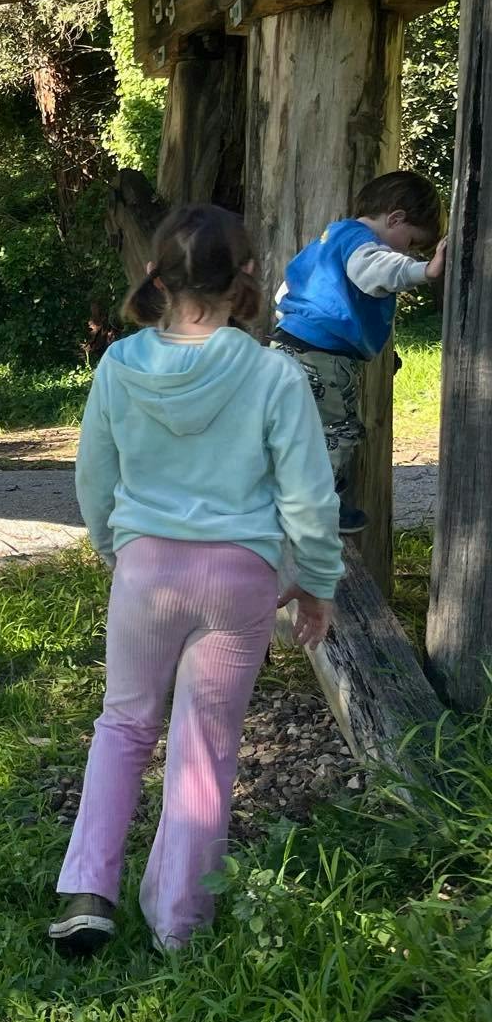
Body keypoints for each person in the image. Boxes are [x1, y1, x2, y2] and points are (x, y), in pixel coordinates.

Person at [50, 204, 341, 957]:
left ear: (160, 277)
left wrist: (113, 545)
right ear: (247, 277)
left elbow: (95, 474)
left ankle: (87, 890)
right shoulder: (275, 372)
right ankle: (179, 921)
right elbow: (309, 497)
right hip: (239, 576)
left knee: (123, 724)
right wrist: (316, 581)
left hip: (147, 568)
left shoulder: (119, 365)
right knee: (205, 740)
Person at [270, 169, 446, 533]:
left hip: (287, 344)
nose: (406, 251)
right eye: (411, 242)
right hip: (323, 354)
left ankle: (283, 492)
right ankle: (315, 506)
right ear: (395, 218)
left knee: (292, 426)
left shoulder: (326, 240)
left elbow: (285, 291)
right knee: (337, 429)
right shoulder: (361, 243)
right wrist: (423, 270)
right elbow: (375, 268)